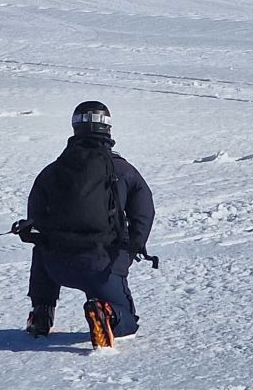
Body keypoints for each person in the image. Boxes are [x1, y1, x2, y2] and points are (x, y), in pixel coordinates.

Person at [17, 101, 155, 348]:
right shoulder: (122, 169)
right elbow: (144, 212)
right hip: (102, 265)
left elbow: (35, 221)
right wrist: (132, 248)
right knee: (128, 325)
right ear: (108, 128)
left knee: (43, 244)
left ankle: (41, 313)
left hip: (55, 266)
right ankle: (108, 315)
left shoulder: (53, 170)